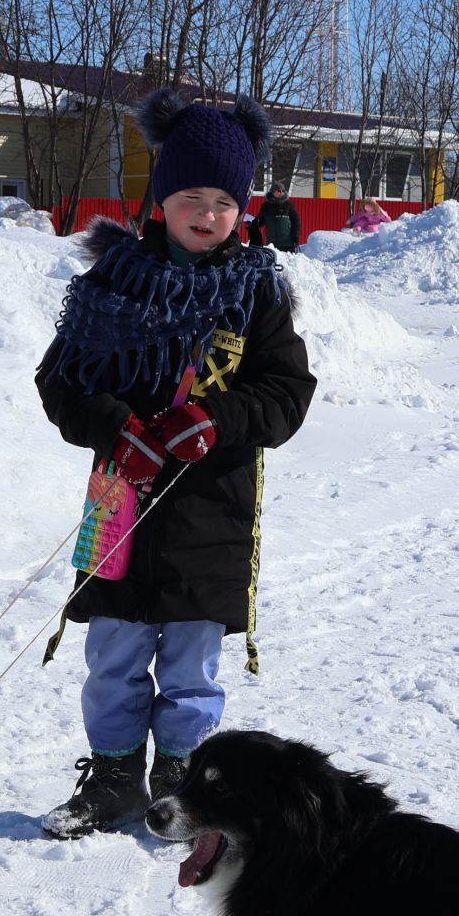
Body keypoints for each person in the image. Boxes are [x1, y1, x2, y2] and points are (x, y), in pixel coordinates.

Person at [36, 90, 317, 838]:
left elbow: (287, 394)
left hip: (211, 519)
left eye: (225, 200)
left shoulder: (257, 295)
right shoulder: (109, 287)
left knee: (192, 671)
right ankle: (116, 779)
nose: (208, 213)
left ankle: (182, 786)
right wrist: (113, 426)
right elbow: (58, 381)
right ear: (161, 200)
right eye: (192, 195)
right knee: (114, 658)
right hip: (121, 506)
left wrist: (213, 418)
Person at [250, 182, 302, 253]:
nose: (281, 192)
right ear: (272, 192)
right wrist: (253, 223)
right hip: (272, 243)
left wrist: (296, 236)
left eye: (283, 191)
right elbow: (261, 220)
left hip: (287, 243)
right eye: (278, 191)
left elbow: (296, 221)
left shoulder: (289, 205)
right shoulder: (266, 206)